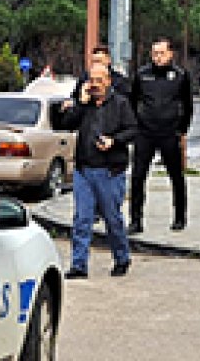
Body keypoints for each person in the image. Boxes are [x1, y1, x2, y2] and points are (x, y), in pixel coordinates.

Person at [53, 59, 138, 279]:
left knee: (112, 218)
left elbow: (133, 130)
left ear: (108, 81)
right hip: (84, 170)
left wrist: (114, 141)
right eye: (91, 80)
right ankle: (79, 265)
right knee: (82, 219)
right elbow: (66, 124)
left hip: (110, 171)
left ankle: (122, 257)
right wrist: (79, 104)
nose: (95, 84)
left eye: (99, 80)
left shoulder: (120, 104)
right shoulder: (84, 104)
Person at [128, 36, 194, 233]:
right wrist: (135, 127)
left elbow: (188, 105)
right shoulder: (142, 75)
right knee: (138, 177)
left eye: (162, 53)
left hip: (169, 133)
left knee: (176, 176)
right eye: (155, 53)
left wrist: (181, 130)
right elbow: (132, 101)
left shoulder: (180, 75)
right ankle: (135, 220)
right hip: (145, 133)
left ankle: (179, 217)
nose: (158, 57)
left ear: (170, 54)